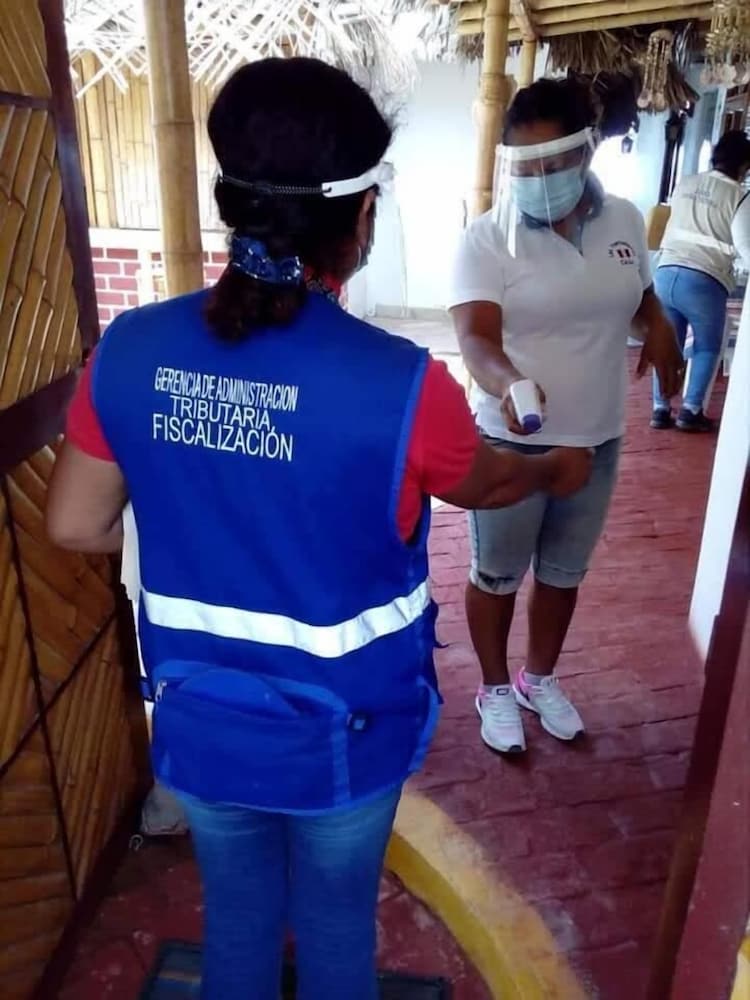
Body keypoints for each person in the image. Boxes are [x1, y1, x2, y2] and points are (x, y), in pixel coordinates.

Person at [46, 59, 591, 1000]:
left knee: (239, 922)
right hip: (349, 731)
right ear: (361, 216)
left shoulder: (130, 350)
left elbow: (73, 522)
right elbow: (489, 483)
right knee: (338, 930)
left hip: (204, 724)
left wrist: (202, 528)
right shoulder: (402, 384)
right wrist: (555, 468)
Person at [448, 77, 683, 756]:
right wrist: (510, 382)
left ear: (586, 152)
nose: (540, 179)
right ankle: (494, 688)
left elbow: (636, 295)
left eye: (554, 162)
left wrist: (659, 325)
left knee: (563, 574)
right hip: (512, 444)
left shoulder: (624, 220)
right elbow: (476, 340)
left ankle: (537, 678)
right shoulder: (486, 240)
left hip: (598, 439)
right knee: (497, 574)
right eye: (525, 166)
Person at [651, 129, 750, 431]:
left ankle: (660, 409)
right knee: (707, 346)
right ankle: (691, 410)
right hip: (703, 281)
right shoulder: (739, 196)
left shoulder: (686, 183)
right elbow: (744, 244)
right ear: (744, 165)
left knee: (668, 342)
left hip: (665, 273)